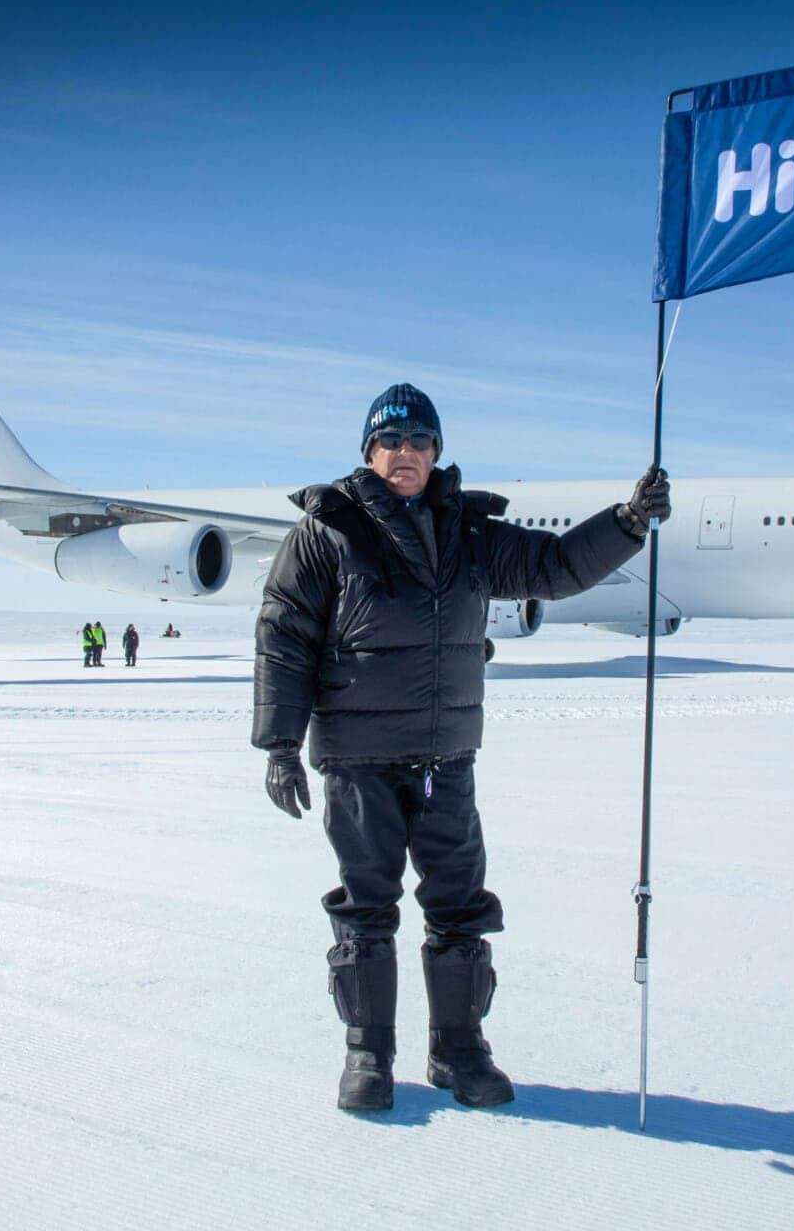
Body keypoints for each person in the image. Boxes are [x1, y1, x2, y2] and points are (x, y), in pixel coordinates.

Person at [253, 382, 669, 1113]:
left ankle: (459, 1051)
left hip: (447, 757)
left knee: (458, 905)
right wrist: (280, 743)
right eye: (390, 441)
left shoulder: (469, 534)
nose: (404, 453)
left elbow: (557, 567)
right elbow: (284, 637)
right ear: (368, 451)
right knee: (366, 906)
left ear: (437, 452)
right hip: (358, 758)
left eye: (419, 441)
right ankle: (367, 1056)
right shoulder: (326, 531)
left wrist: (628, 522)